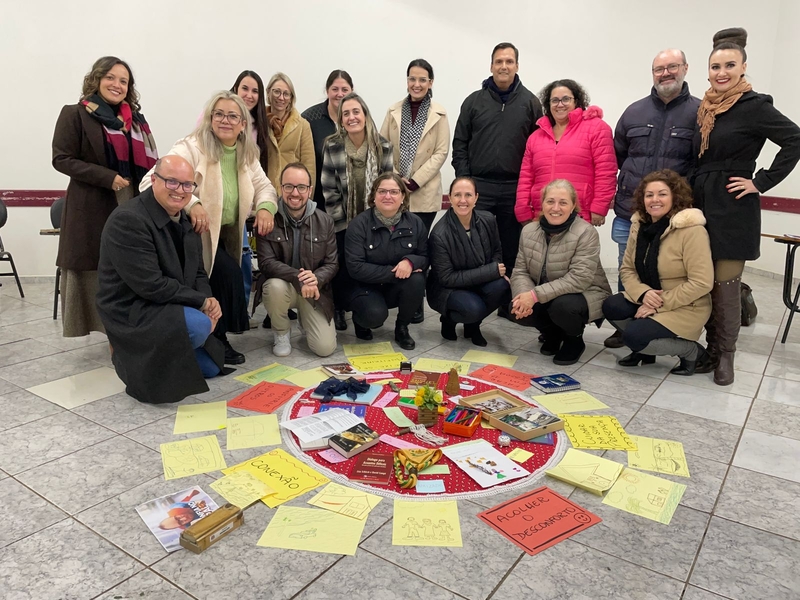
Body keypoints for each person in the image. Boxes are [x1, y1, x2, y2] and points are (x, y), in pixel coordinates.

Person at [692, 27, 800, 385]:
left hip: (734, 204)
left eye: (729, 65)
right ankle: (707, 350)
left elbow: (794, 140)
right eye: (715, 66)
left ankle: (725, 355)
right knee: (704, 280)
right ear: (707, 70)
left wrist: (761, 181)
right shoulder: (705, 108)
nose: (721, 72)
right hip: (701, 200)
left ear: (743, 67)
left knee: (726, 283)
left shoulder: (754, 106)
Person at [141, 90, 278, 365]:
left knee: (227, 276)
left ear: (243, 124)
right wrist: (192, 203)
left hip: (223, 236)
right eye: (219, 114)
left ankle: (216, 337)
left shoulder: (246, 154)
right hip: (189, 235)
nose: (225, 120)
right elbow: (149, 181)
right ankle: (215, 339)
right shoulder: (191, 147)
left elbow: (265, 186)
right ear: (210, 118)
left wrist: (265, 207)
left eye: (232, 116)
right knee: (224, 276)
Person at [97, 156, 226, 405]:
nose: (180, 190)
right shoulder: (128, 220)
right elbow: (150, 285)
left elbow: (198, 272)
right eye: (172, 182)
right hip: (133, 308)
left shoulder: (185, 219)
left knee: (209, 367)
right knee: (199, 327)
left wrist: (209, 301)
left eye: (187, 185)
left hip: (167, 300)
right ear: (154, 180)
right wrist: (201, 303)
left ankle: (172, 349)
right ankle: (126, 354)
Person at [52, 56, 158, 337]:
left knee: (130, 266)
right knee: (97, 270)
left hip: (132, 203)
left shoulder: (136, 122)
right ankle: (106, 331)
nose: (117, 84)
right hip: (91, 207)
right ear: (97, 79)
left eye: (124, 81)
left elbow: (149, 163)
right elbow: (61, 159)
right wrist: (106, 177)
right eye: (111, 77)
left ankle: (126, 329)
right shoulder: (75, 114)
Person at [605, 49, 701, 349]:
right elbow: (618, 154)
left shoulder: (700, 113)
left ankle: (659, 322)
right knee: (629, 268)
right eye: (659, 69)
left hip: (676, 218)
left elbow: (701, 162)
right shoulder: (634, 112)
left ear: (685, 68)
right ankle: (627, 326)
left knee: (668, 272)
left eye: (672, 67)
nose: (666, 73)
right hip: (629, 212)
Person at [602, 170, 713, 374]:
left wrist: (658, 304)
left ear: (675, 197)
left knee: (633, 337)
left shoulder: (691, 231)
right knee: (611, 306)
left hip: (686, 305)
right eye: (649, 195)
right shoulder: (640, 226)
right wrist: (644, 294)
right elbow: (627, 269)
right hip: (650, 296)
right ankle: (645, 351)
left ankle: (691, 351)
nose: (655, 200)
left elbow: (702, 282)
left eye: (662, 194)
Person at [452, 42, 543, 282]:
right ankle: (478, 298)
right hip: (479, 186)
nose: (504, 66)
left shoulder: (531, 103)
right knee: (476, 243)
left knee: (511, 246)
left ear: (517, 66)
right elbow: (459, 144)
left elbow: (539, 149)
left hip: (515, 187)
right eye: (499, 61)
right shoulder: (473, 102)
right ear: (491, 65)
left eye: (509, 61)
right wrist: (465, 182)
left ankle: (506, 301)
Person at [509, 179, 611, 365]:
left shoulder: (586, 232)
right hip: (546, 292)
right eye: (550, 201)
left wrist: (534, 295)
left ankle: (574, 339)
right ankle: (552, 334)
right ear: (542, 204)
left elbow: (579, 279)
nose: (556, 208)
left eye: (563, 202)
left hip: (585, 293)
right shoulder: (529, 231)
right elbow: (520, 270)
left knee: (562, 306)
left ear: (573, 206)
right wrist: (523, 297)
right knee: (514, 308)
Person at [321, 92, 394, 332]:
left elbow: (386, 190)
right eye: (346, 114)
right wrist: (344, 227)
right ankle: (340, 308)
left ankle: (365, 309)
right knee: (341, 265)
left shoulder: (383, 146)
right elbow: (330, 191)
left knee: (367, 266)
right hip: (342, 221)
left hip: (375, 222)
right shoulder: (332, 145)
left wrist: (375, 224)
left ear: (365, 115)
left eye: (356, 112)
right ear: (341, 120)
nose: (352, 117)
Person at [254, 163, 338, 357]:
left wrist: (315, 278)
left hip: (313, 290)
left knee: (325, 349)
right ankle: (281, 332)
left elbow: (332, 263)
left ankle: (305, 320)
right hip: (283, 287)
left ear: (309, 190)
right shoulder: (268, 219)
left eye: (301, 187)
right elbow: (266, 263)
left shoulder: (325, 221)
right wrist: (298, 277)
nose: (295, 193)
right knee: (273, 286)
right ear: (280, 188)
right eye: (288, 186)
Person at [515, 79, 616, 227]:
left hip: (579, 215)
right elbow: (526, 177)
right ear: (548, 105)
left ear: (577, 101)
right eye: (554, 100)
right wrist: (522, 210)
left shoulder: (597, 128)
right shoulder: (535, 137)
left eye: (566, 99)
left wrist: (599, 207)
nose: (560, 104)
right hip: (542, 215)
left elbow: (606, 171)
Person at [345, 173, 428, 350]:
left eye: (394, 192)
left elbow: (426, 256)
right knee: (374, 316)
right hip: (365, 287)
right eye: (382, 191)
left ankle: (402, 328)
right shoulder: (358, 224)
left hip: (394, 287)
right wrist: (396, 272)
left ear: (403, 196)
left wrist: (410, 262)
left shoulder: (415, 223)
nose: (388, 196)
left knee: (416, 280)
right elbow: (355, 268)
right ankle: (361, 322)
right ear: (374, 196)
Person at [427, 177, 510, 346]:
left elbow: (496, 251)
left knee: (503, 287)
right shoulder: (439, 234)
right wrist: (491, 271)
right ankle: (449, 319)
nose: (463, 200)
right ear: (450, 198)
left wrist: (496, 271)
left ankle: (473, 326)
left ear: (476, 198)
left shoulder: (488, 219)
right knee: (473, 308)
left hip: (478, 281)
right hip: (448, 289)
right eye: (457, 195)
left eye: (468, 195)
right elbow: (446, 278)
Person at [380, 58, 450, 234]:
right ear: (407, 80)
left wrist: (414, 182)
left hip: (425, 191)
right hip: (395, 189)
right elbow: (381, 147)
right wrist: (397, 179)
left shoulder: (439, 113)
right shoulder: (393, 111)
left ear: (430, 83)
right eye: (412, 79)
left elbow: (441, 152)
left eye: (422, 80)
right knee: (394, 242)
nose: (416, 84)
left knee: (419, 244)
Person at [230, 70, 269, 317]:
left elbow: (259, 174)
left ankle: (241, 311)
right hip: (218, 204)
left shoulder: (259, 126)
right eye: (245, 88)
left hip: (245, 204)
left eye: (255, 91)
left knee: (244, 257)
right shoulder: (212, 118)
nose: (249, 95)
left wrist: (263, 205)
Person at [302, 70, 353, 210]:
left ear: (352, 91)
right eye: (335, 89)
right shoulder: (309, 119)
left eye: (345, 89)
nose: (340, 94)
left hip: (350, 202)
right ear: (327, 90)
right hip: (318, 202)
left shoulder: (358, 119)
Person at [263, 73, 315, 190]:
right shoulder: (259, 123)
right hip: (264, 193)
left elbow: (309, 166)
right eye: (277, 91)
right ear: (268, 92)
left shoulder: (303, 126)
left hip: (292, 194)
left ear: (291, 98)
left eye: (286, 94)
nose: (281, 98)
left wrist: (307, 199)